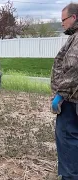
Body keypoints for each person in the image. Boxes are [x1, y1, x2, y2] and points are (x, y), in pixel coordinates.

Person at [51, 3, 78, 179]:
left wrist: (60, 94)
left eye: (64, 20)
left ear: (74, 18)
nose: (62, 24)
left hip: (71, 98)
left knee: (68, 138)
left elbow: (74, 67)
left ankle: (69, 176)